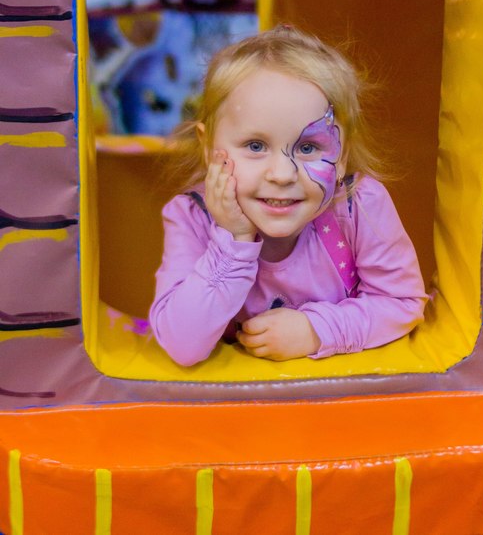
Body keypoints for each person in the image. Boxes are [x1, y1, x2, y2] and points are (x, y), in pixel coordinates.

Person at [150, 25, 427, 365]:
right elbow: (182, 344)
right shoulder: (192, 216)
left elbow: (402, 303)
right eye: (255, 146)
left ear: (341, 156)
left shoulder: (358, 206)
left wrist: (316, 331)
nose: (282, 175)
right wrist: (233, 242)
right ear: (208, 148)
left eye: (308, 148)